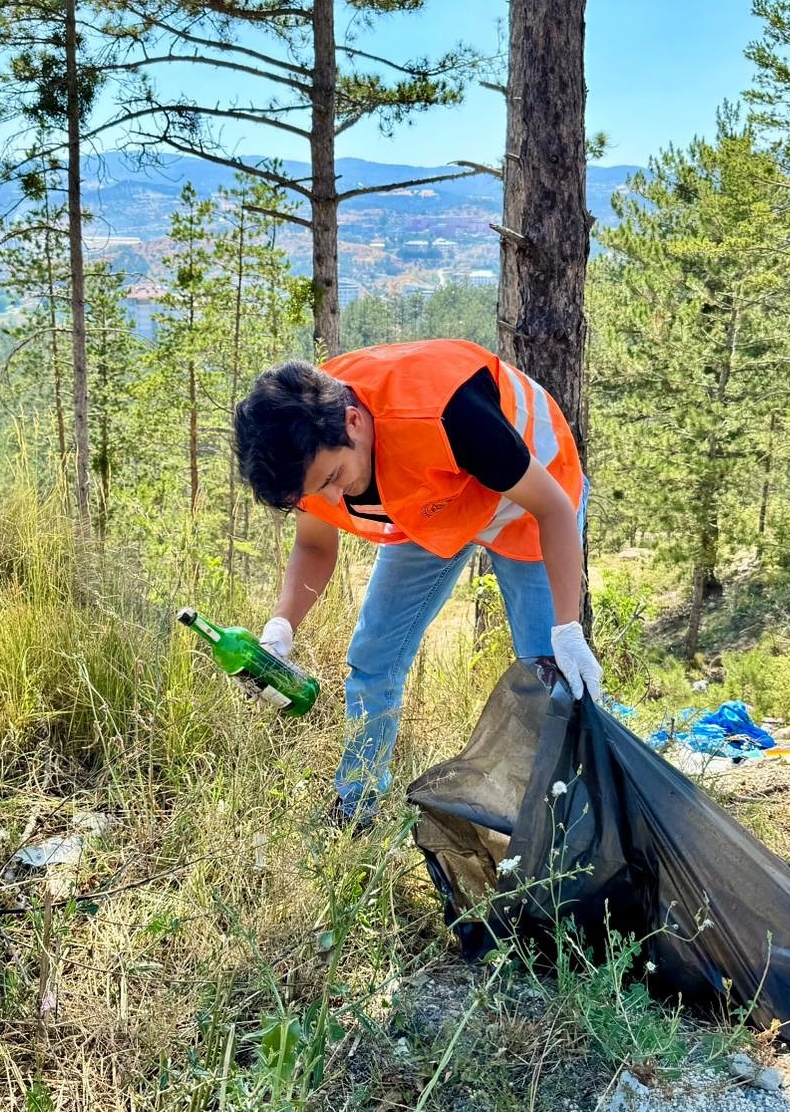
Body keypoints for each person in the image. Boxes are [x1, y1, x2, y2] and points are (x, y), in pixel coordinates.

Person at [233, 337, 603, 828]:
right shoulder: (300, 446)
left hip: (530, 499)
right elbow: (315, 546)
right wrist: (280, 629)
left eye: (335, 477)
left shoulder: (449, 412)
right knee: (374, 655)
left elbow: (553, 507)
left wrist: (567, 630)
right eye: (316, 490)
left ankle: (565, 821)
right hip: (430, 501)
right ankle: (357, 805)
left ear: (353, 421)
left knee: (552, 675)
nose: (333, 494)